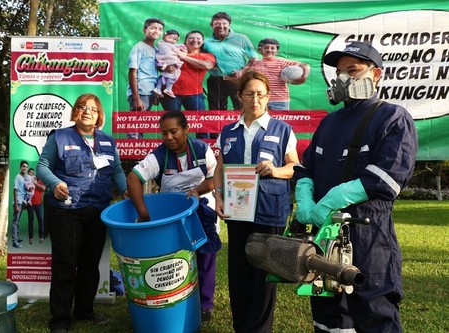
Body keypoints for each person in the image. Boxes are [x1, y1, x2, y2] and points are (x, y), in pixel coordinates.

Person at [293, 41, 418, 333]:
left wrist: (334, 198)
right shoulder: (329, 122)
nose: (343, 79)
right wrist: (304, 199)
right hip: (324, 237)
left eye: (353, 70)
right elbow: (305, 167)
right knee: (326, 314)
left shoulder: (393, 117)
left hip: (368, 236)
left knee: (372, 314)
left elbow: (387, 178)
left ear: (376, 75)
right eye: (339, 72)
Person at [213, 71, 299, 332]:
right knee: (239, 275)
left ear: (268, 97)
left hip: (269, 211)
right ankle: (242, 327)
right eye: (249, 93)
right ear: (239, 96)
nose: (255, 99)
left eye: (261, 94)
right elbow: (219, 168)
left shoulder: (282, 130)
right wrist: (218, 195)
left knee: (263, 276)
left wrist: (275, 170)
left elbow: (294, 167)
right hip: (237, 211)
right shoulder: (228, 131)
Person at [37, 93, 129, 333]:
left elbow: (117, 169)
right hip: (67, 211)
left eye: (93, 109)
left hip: (98, 210)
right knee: (66, 265)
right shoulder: (59, 137)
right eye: (82, 107)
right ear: (76, 112)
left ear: (99, 115)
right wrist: (54, 183)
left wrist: (126, 189)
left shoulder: (108, 141)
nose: (88, 112)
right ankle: (60, 320)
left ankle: (84, 311)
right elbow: (43, 166)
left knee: (90, 265)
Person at [126, 110, 221, 323]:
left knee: (205, 257)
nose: (168, 138)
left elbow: (215, 178)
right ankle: (176, 300)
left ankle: (205, 305)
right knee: (176, 260)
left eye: (174, 131)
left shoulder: (202, 149)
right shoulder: (159, 155)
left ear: (186, 129)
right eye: (164, 133)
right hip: (173, 218)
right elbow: (133, 178)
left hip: (202, 211)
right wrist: (143, 214)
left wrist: (197, 190)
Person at [203, 12, 258, 111]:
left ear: (229, 24)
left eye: (224, 23)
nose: (221, 26)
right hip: (215, 80)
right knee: (216, 111)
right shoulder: (206, 43)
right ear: (212, 25)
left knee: (242, 109)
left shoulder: (241, 38)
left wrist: (242, 71)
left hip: (238, 80)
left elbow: (253, 59)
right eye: (217, 23)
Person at [160, 30, 216, 113]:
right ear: (185, 41)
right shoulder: (172, 52)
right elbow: (159, 64)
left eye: (198, 38)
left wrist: (184, 57)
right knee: (173, 119)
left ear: (202, 41)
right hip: (170, 93)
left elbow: (207, 65)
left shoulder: (207, 55)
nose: (195, 40)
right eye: (191, 38)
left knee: (198, 121)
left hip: (195, 94)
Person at [127, 17, 165, 138]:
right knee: (135, 128)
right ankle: (132, 155)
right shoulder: (139, 47)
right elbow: (132, 72)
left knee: (141, 126)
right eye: (153, 28)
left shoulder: (156, 49)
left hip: (149, 93)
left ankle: (139, 155)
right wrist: (136, 97)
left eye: (160, 29)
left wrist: (155, 94)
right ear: (145, 30)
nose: (156, 31)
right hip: (140, 93)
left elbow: (154, 73)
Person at [249, 38, 310, 110]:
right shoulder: (255, 64)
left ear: (277, 51)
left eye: (272, 48)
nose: (269, 50)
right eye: (266, 48)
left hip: (280, 101)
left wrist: (304, 77)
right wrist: (249, 63)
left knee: (280, 121)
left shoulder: (282, 62)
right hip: (261, 100)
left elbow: (305, 65)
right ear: (260, 50)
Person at [153, 29, 186, 98]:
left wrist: (180, 47)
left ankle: (158, 88)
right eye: (169, 38)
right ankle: (168, 88)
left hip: (165, 63)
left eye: (174, 39)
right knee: (173, 74)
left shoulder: (169, 44)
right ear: (164, 37)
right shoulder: (163, 45)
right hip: (167, 62)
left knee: (164, 75)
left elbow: (176, 47)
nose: (171, 40)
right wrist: (176, 54)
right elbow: (168, 53)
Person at [11, 160, 29, 248]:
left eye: (26, 167)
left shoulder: (23, 178)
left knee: (17, 222)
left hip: (21, 202)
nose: (25, 168)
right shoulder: (18, 177)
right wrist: (16, 205)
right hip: (17, 202)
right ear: (20, 167)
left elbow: (24, 191)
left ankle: (17, 238)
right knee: (15, 222)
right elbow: (15, 190)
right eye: (23, 166)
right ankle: (14, 242)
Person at [26, 167, 46, 244]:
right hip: (30, 204)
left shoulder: (43, 181)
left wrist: (35, 183)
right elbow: (26, 188)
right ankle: (30, 238)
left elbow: (43, 188)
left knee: (40, 220)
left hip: (39, 204)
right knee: (30, 221)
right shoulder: (29, 179)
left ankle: (41, 236)